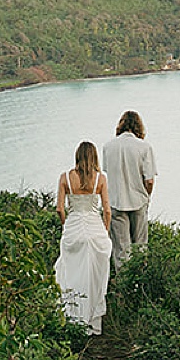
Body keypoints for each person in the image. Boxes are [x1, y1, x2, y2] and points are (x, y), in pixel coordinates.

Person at [53, 140, 112, 334]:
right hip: (94, 229)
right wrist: (105, 230)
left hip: (74, 227)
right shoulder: (100, 178)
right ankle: (93, 319)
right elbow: (107, 211)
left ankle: (72, 318)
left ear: (77, 156)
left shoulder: (65, 178)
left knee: (72, 274)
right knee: (94, 277)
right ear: (94, 156)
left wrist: (66, 225)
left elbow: (60, 209)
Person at [102, 110, 156, 270]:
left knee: (121, 250)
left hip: (116, 202)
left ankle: (124, 287)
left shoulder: (108, 146)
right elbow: (150, 180)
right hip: (138, 201)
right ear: (139, 126)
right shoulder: (145, 147)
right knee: (140, 246)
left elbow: (107, 173)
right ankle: (139, 283)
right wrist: (147, 196)